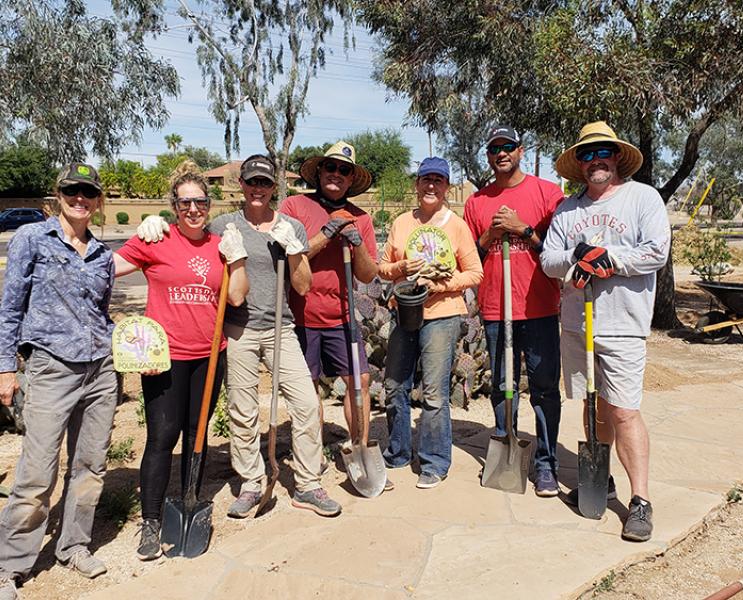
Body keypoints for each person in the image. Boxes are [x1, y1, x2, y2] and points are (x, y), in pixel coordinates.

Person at [135, 156, 342, 518]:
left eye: (264, 183)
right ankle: (250, 483)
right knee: (242, 410)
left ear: (273, 187)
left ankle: (308, 484)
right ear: (242, 186)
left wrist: (293, 250)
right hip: (238, 329)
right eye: (251, 182)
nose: (257, 189)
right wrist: (157, 223)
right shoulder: (223, 224)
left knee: (307, 405)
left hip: (281, 328)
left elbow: (304, 285)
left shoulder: (290, 224)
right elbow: (188, 234)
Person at [540, 121, 670, 542]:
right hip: (578, 324)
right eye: (586, 154)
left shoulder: (642, 198)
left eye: (602, 152)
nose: (594, 160)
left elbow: (656, 251)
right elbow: (548, 260)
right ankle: (603, 478)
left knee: (624, 410)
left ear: (616, 157)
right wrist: (577, 262)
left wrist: (606, 258)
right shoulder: (567, 209)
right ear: (578, 164)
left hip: (623, 325)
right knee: (594, 405)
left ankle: (641, 501)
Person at [113, 163, 249, 561]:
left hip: (209, 355)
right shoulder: (155, 240)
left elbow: (237, 297)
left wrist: (236, 258)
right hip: (164, 358)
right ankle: (152, 520)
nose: (193, 209)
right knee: (162, 436)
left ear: (209, 205)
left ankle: (190, 500)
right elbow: (108, 270)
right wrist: (140, 229)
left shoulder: (218, 245)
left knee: (198, 432)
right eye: (185, 202)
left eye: (200, 202)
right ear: (174, 205)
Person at [0, 164, 118, 598]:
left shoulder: (102, 254)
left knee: (90, 466)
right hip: (50, 368)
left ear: (97, 199)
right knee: (36, 471)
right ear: (59, 194)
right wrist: (5, 368)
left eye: (88, 191)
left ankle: (74, 544)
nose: (80, 198)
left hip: (100, 370)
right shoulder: (32, 238)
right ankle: (9, 563)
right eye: (73, 190)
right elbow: (10, 307)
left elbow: (101, 313)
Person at [463, 125, 564, 497]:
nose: (500, 153)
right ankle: (506, 445)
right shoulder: (477, 202)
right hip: (495, 308)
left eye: (507, 147)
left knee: (544, 389)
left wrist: (523, 230)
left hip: (537, 306)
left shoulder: (547, 194)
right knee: (503, 387)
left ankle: (546, 463)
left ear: (521, 150)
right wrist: (491, 235)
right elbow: (470, 253)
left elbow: (557, 251)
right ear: (488, 156)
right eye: (494, 149)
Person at [378, 157, 483, 489]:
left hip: (442, 316)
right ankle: (397, 452)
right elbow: (383, 268)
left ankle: (434, 462)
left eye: (438, 181)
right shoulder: (400, 224)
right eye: (426, 180)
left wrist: (441, 285)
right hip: (404, 311)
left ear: (447, 188)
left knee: (435, 393)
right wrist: (401, 269)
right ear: (417, 184)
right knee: (395, 386)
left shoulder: (457, 226)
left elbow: (474, 272)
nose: (431, 186)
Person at [280, 142, 379, 449]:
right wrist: (326, 234)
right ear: (320, 172)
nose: (336, 174)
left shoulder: (360, 217)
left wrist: (357, 242)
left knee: (359, 382)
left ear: (351, 179)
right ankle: (312, 457)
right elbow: (288, 252)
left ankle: (360, 450)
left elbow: (367, 274)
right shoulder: (294, 207)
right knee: (307, 391)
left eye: (344, 170)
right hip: (302, 316)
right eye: (331, 167)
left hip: (342, 317)